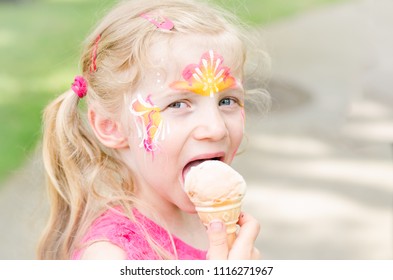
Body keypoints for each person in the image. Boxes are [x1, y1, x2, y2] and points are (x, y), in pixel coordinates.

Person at [37, 0, 269, 260]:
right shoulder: (110, 257)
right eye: (178, 103)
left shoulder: (210, 219)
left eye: (227, 101)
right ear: (111, 127)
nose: (216, 129)